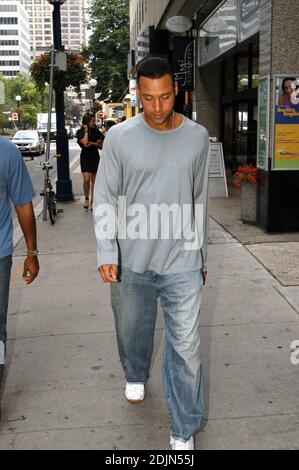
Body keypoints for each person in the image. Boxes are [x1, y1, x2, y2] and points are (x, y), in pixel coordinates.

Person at [94, 56, 210, 450]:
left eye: (164, 97)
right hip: (132, 260)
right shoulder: (120, 138)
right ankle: (135, 372)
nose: (157, 108)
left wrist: (201, 257)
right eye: (147, 98)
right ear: (138, 93)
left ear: (176, 91)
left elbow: (199, 200)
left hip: (182, 262)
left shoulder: (197, 137)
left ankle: (183, 427)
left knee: (187, 348)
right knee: (132, 332)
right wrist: (107, 250)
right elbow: (105, 195)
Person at [0, 135, 39, 419]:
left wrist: (32, 252)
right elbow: (23, 204)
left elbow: (24, 204)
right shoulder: (6, 151)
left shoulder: (7, 151)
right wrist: (31, 252)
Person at [77, 112, 104, 211]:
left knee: (95, 181)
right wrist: (86, 131)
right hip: (85, 157)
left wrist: (93, 143)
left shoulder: (96, 130)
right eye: (92, 121)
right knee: (86, 179)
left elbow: (101, 143)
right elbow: (84, 143)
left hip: (94, 156)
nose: (94, 122)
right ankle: (86, 198)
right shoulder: (80, 131)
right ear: (87, 122)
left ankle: (93, 200)